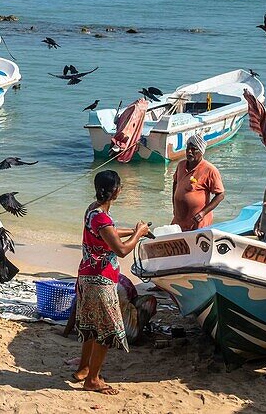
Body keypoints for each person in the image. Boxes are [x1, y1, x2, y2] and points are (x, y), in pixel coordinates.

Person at [72, 169, 148, 396]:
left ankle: (84, 369)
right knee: (106, 331)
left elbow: (109, 233)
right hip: (101, 280)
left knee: (91, 325)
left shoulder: (92, 211)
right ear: (115, 191)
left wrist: (135, 231)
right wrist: (138, 234)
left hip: (87, 275)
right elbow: (121, 250)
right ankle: (93, 379)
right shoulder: (102, 218)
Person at [171, 133, 225, 231]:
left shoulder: (210, 170)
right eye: (188, 148)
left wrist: (203, 213)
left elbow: (220, 195)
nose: (189, 152)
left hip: (198, 223)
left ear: (201, 151)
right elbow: (175, 184)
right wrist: (174, 205)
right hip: (179, 220)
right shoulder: (181, 165)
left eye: (193, 149)